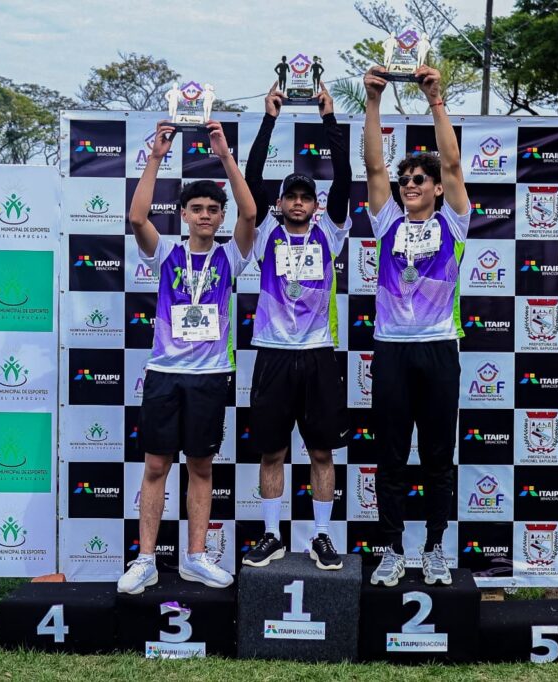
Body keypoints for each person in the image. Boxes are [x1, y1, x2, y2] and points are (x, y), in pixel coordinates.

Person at [118, 120, 256, 594]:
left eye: (212, 210)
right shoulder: (165, 254)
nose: (204, 215)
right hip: (164, 373)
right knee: (156, 466)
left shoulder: (231, 257)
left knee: (201, 467)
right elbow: (137, 218)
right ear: (182, 214)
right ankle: (146, 560)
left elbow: (251, 213)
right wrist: (156, 156)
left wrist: (224, 156)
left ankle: (196, 556)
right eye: (196, 208)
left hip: (211, 375)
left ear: (220, 216)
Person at [362, 65, 470, 587]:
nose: (408, 184)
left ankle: (434, 548)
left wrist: (435, 100)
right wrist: (372, 101)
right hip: (391, 350)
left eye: (418, 180)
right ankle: (391, 549)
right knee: (389, 457)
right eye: (404, 180)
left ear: (436, 189)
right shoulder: (387, 222)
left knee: (436, 458)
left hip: (438, 348)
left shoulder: (453, 221)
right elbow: (373, 167)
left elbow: (452, 162)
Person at [240, 82, 352, 571]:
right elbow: (251, 176)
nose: (299, 203)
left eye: (307, 197)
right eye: (292, 197)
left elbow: (344, 175)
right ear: (281, 202)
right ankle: (271, 535)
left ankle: (321, 537)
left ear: (316, 204)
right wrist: (270, 118)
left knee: (321, 452)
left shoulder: (331, 231)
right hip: (272, 353)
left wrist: (329, 119)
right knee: (272, 452)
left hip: (318, 355)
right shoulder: (265, 231)